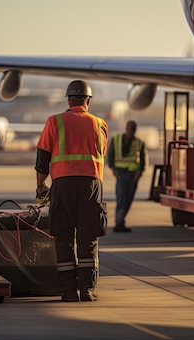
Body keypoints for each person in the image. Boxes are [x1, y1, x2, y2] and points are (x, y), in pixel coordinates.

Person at [34, 80, 108, 302]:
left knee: (63, 238)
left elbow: (42, 158)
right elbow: (101, 151)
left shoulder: (54, 121)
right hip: (91, 186)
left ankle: (68, 292)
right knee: (88, 239)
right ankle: (86, 290)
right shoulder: (99, 124)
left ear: (68, 99)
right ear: (88, 100)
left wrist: (40, 186)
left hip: (63, 186)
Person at [107, 120, 146, 232]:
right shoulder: (116, 140)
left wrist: (139, 173)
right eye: (130, 129)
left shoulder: (139, 143)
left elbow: (142, 160)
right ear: (126, 128)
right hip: (121, 174)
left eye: (133, 129)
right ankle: (119, 222)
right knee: (122, 198)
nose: (131, 131)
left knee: (128, 199)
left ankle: (121, 220)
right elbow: (110, 155)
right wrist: (113, 170)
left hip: (133, 176)